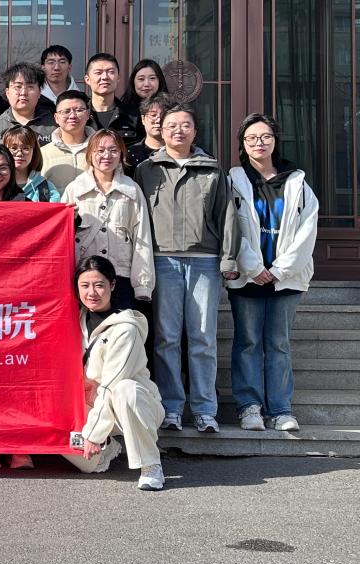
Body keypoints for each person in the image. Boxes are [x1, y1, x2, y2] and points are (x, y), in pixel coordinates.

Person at [134, 104, 239, 433]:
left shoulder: (212, 170)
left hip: (204, 261)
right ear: (161, 131)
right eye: (171, 125)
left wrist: (229, 259)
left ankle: (205, 409)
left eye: (185, 125)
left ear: (195, 131)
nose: (178, 131)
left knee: (203, 337)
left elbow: (227, 216)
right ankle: (171, 408)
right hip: (162, 260)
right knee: (166, 338)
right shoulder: (146, 170)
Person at [227, 114, 318, 432]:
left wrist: (280, 270)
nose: (259, 143)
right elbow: (229, 228)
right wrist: (253, 266)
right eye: (251, 138)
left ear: (276, 141)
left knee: (279, 343)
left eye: (265, 137)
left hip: (287, 279)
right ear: (242, 144)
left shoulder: (297, 182)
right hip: (247, 276)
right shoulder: (234, 180)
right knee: (248, 342)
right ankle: (249, 407)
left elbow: (307, 230)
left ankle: (280, 409)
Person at [70, 256, 166, 491]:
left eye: (99, 285)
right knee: (87, 465)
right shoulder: (74, 319)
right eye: (85, 285)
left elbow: (111, 384)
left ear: (112, 285)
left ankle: (151, 465)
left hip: (133, 406)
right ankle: (109, 446)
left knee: (125, 389)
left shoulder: (126, 329)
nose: (92, 292)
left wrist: (93, 434)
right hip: (89, 405)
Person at [62, 130, 154, 310]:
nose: (107, 155)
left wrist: (142, 284)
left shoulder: (132, 191)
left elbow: (142, 239)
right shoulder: (75, 190)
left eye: (113, 150)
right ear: (90, 154)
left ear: (121, 154)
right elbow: (62, 238)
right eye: (100, 150)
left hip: (121, 276)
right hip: (84, 278)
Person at [0, 62, 55, 144]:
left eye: (30, 87)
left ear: (39, 93)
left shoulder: (55, 125)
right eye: (18, 87)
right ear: (7, 92)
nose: (23, 93)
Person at [40, 90, 95, 193]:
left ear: (88, 114)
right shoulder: (42, 154)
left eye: (79, 110)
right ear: (56, 118)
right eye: (66, 111)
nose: (72, 116)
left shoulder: (100, 150)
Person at [83, 53, 141, 144]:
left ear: (118, 78)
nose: (105, 77)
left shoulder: (134, 115)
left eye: (111, 72)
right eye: (98, 73)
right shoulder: (80, 116)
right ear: (87, 79)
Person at [0, 125, 60, 202]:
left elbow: (56, 209)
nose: (19, 154)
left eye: (26, 148)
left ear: (34, 152)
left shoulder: (46, 188)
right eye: (14, 148)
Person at [126, 94, 170, 170]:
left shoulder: (178, 151)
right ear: (143, 119)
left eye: (163, 115)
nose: (158, 120)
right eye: (153, 115)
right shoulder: (129, 154)